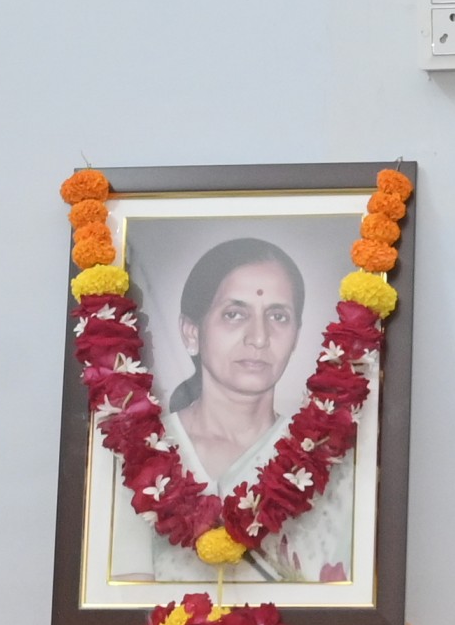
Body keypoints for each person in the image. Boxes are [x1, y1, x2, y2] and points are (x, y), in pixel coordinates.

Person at [105, 234, 354, 585]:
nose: (259, 338)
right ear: (191, 332)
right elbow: (121, 602)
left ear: (296, 337)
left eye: (278, 316)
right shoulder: (138, 453)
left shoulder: (329, 460)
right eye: (234, 314)